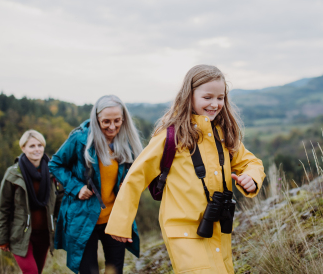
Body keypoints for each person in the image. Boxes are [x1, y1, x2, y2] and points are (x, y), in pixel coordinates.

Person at [106, 65, 266, 274]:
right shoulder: (170, 136)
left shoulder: (223, 134)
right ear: (189, 95)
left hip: (217, 228)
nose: (215, 104)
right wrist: (120, 223)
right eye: (207, 97)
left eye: (220, 98)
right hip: (182, 232)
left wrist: (251, 178)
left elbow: (250, 162)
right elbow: (136, 176)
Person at [49, 95, 142, 274]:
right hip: (83, 217)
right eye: (106, 121)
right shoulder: (80, 139)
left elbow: (137, 172)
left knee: (114, 270)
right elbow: (55, 164)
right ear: (96, 119)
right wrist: (77, 188)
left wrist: (128, 183)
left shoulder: (127, 141)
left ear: (124, 119)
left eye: (117, 121)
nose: (112, 126)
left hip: (114, 218)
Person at [0, 130, 60, 274]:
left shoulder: (53, 172)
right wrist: (2, 238)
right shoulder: (12, 174)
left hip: (44, 234)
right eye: (32, 146)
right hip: (20, 234)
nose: (37, 149)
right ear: (23, 148)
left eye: (39, 145)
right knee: (31, 272)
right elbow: (3, 208)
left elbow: (59, 204)